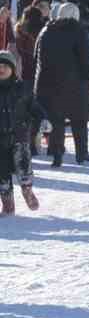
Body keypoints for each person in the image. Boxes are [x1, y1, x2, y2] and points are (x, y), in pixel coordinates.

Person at [34, 0, 89, 166]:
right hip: (75, 83)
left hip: (49, 83)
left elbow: (36, 58)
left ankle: (57, 155)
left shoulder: (46, 30)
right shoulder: (77, 30)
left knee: (56, 120)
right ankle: (81, 153)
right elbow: (85, 57)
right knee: (79, 119)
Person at [0, 49, 45, 213]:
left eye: (6, 66)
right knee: (2, 174)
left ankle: (27, 190)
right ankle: (7, 204)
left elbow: (36, 109)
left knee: (23, 167)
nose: (2, 69)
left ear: (12, 69)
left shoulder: (22, 89)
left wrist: (43, 120)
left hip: (20, 137)